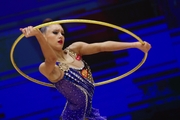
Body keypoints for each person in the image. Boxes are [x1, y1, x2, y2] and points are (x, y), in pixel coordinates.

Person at [20, 18, 151, 120]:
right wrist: (37, 35)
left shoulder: (75, 49)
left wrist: (135, 45)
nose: (61, 36)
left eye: (62, 33)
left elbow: (102, 46)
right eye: (55, 33)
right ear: (44, 38)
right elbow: (51, 59)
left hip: (88, 114)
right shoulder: (46, 67)